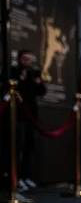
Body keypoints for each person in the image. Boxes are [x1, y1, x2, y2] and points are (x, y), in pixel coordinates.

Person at [13, 50, 47, 192]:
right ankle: (17, 178)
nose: (28, 62)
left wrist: (38, 82)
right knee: (19, 147)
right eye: (26, 59)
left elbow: (42, 91)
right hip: (19, 115)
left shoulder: (34, 74)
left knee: (29, 147)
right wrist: (21, 77)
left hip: (31, 116)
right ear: (20, 59)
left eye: (30, 60)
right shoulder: (14, 72)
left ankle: (26, 176)